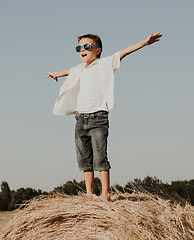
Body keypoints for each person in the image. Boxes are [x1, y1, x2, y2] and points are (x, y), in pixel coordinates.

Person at [46, 33, 162, 201]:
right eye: (79, 48)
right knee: (84, 159)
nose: (82, 50)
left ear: (98, 50)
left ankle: (105, 193)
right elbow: (67, 71)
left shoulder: (105, 64)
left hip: (98, 117)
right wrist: (56, 73)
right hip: (80, 118)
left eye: (87, 46)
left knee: (100, 157)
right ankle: (89, 194)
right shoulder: (78, 69)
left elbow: (124, 52)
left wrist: (145, 42)